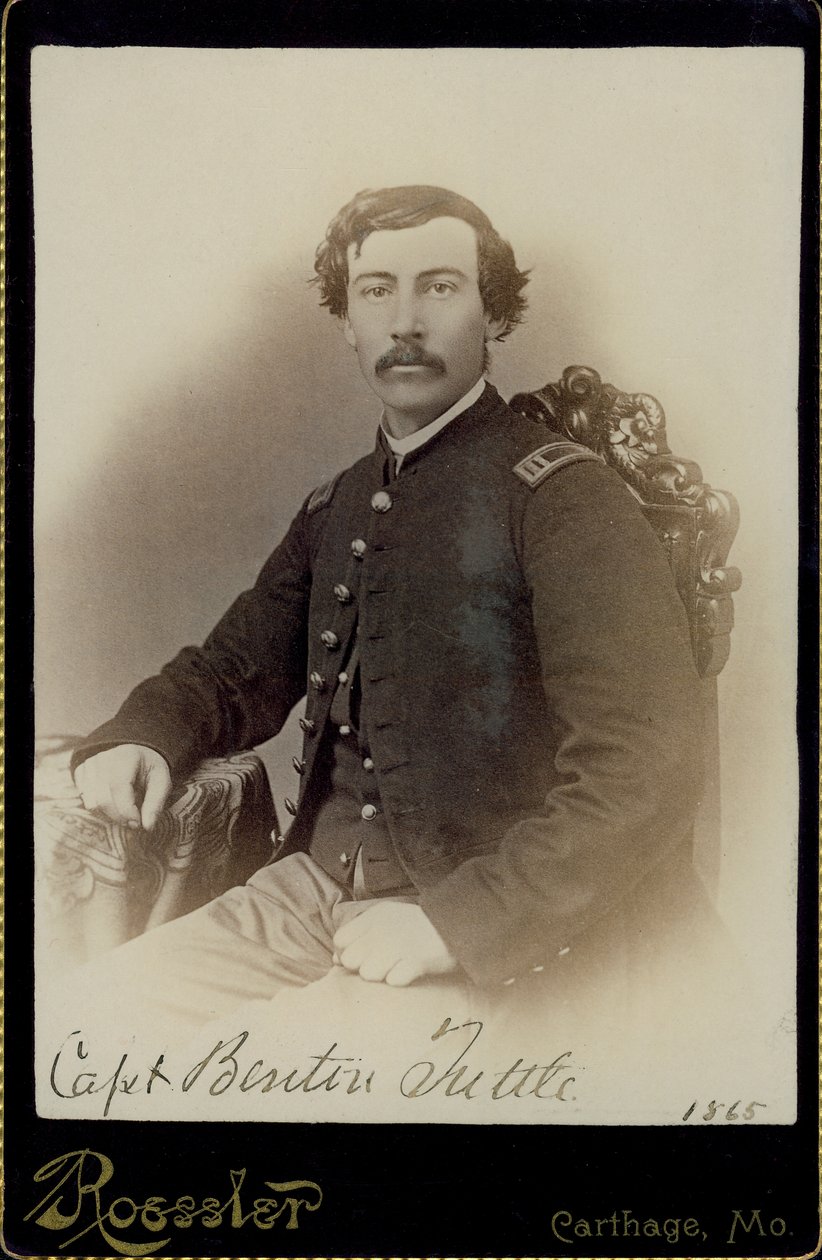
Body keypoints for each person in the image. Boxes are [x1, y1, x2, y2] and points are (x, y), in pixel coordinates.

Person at [60, 186, 710, 1071]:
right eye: (376, 291)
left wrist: (460, 922)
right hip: (308, 894)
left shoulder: (563, 498)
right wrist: (142, 732)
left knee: (248, 1086)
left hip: (491, 935)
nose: (405, 322)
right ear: (347, 321)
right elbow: (234, 668)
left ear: (494, 313)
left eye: (440, 286)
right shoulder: (339, 502)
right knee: (81, 1029)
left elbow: (646, 766)